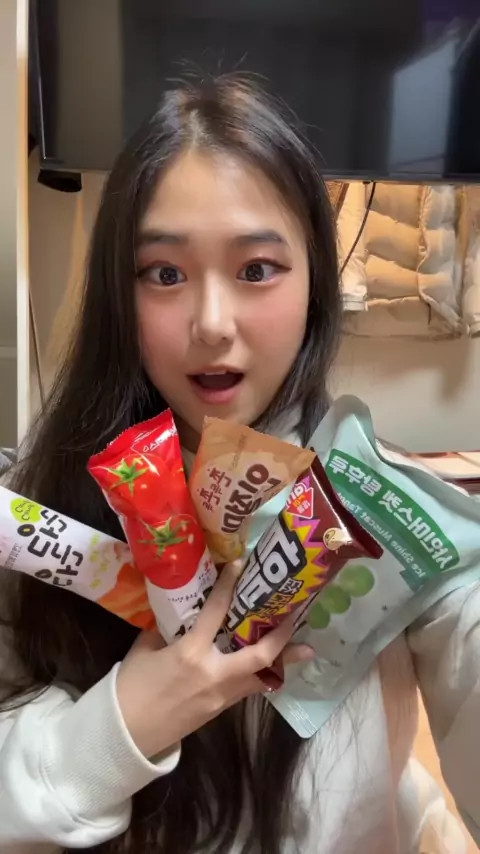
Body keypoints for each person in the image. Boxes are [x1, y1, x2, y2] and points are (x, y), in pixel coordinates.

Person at [0, 75, 478, 854]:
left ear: (316, 282)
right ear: (119, 294)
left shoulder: (384, 510)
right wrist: (126, 723)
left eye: (257, 270)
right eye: (164, 273)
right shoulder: (37, 505)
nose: (213, 324)